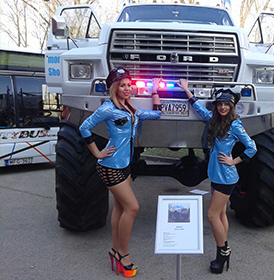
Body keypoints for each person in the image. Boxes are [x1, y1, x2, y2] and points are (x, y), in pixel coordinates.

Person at [79, 67, 162, 278]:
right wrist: (97, 153)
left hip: (125, 165)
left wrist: (154, 91)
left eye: (129, 84)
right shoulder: (108, 108)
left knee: (119, 207)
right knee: (132, 208)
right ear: (114, 88)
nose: (127, 88)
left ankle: (115, 250)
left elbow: (157, 114)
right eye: (122, 85)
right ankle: (123, 254)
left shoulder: (131, 109)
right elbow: (84, 127)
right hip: (110, 166)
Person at [179, 79, 257, 274]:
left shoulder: (235, 125)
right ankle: (222, 248)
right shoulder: (214, 120)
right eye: (220, 104)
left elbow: (252, 147)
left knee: (212, 215)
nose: (222, 107)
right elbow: (198, 108)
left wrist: (235, 161)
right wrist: (187, 90)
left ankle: (223, 252)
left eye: (226, 105)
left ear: (232, 107)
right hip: (215, 174)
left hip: (226, 177)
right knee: (220, 214)